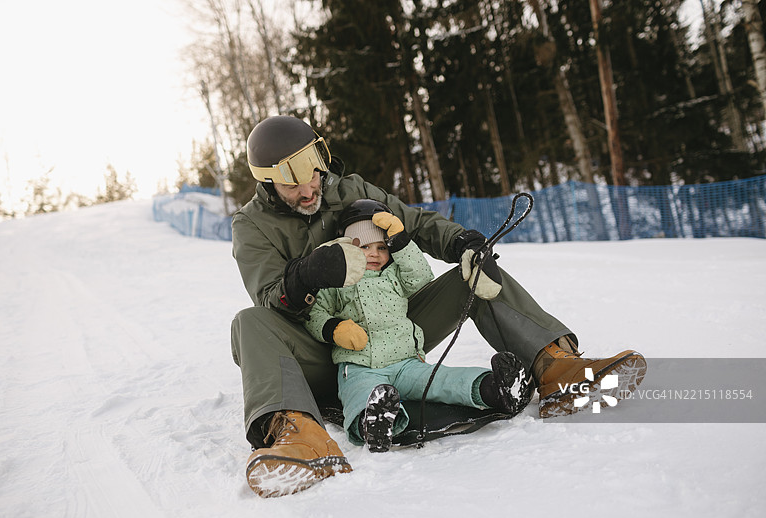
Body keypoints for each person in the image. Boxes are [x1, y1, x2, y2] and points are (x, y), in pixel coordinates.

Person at [231, 115, 646, 498]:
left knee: (475, 273)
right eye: (292, 186)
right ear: (268, 184)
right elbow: (271, 299)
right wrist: (307, 274)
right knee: (249, 323)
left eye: (314, 176)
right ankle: (300, 434)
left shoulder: (351, 190)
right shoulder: (251, 226)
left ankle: (555, 366)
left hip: (394, 330)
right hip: (327, 349)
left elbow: (416, 224)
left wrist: (460, 243)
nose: (309, 190)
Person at [304, 199, 532, 453]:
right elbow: (315, 314)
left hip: (405, 362)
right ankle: (374, 422)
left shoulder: (394, 275)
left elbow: (421, 278)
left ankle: (493, 389)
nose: (375, 254)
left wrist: (400, 242)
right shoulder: (336, 281)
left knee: (440, 379)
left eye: (382, 247)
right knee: (361, 395)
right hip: (360, 367)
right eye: (365, 246)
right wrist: (334, 328)